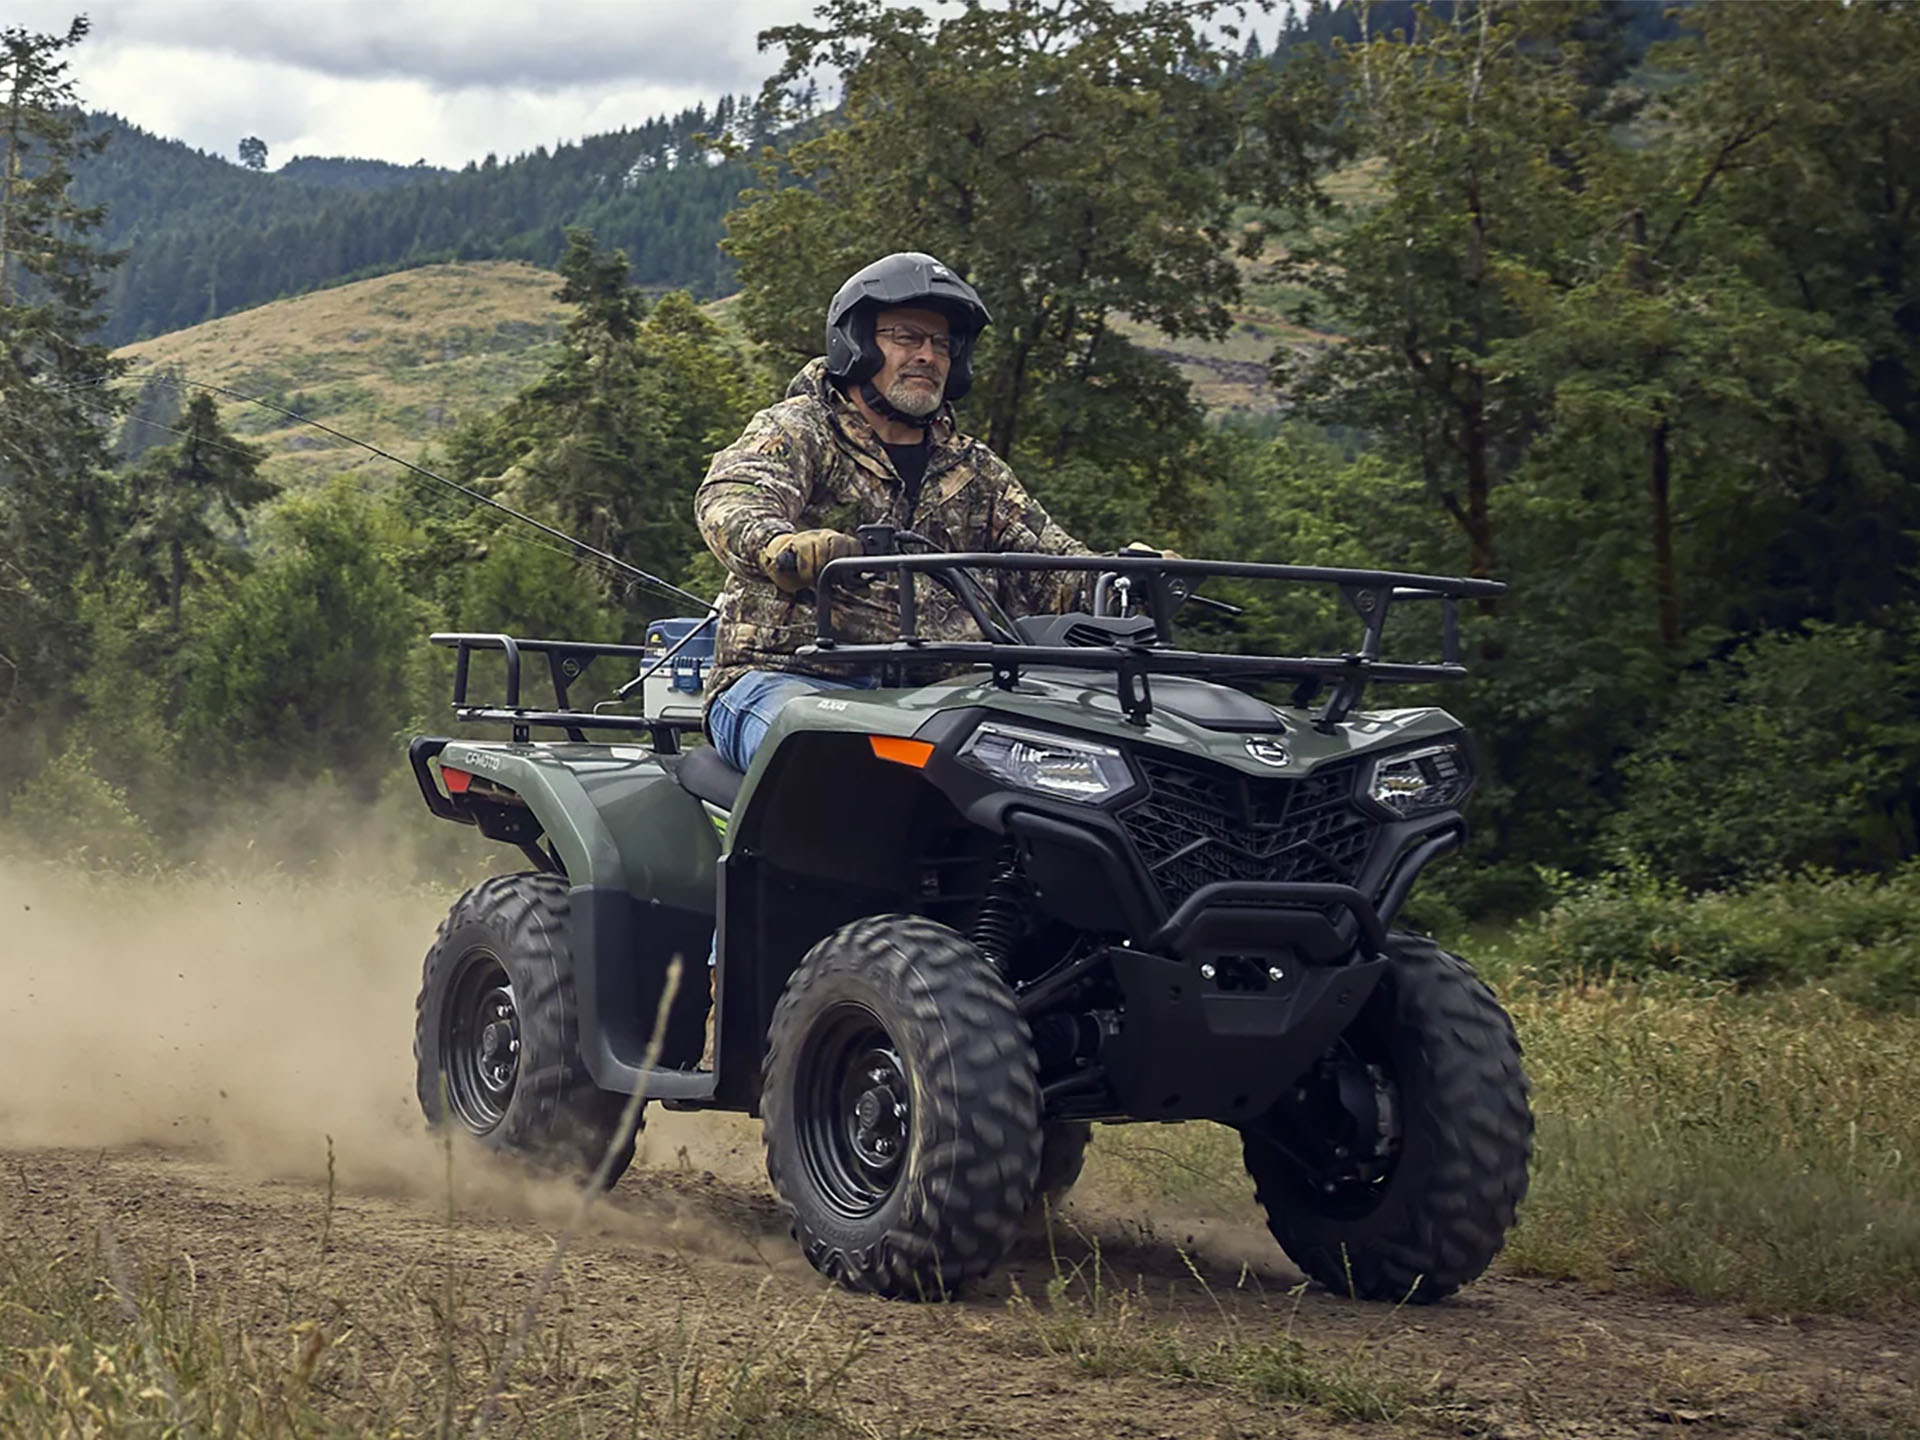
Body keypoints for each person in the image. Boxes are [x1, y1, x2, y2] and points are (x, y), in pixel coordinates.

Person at [695, 250, 1125, 774]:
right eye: (906, 338)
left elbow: (1052, 567)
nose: (928, 355)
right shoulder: (798, 431)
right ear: (856, 344)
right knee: (845, 768)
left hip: (946, 698)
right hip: (791, 679)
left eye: (942, 344)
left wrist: (1121, 578)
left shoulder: (974, 468)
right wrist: (778, 544)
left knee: (1080, 773)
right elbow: (734, 496)